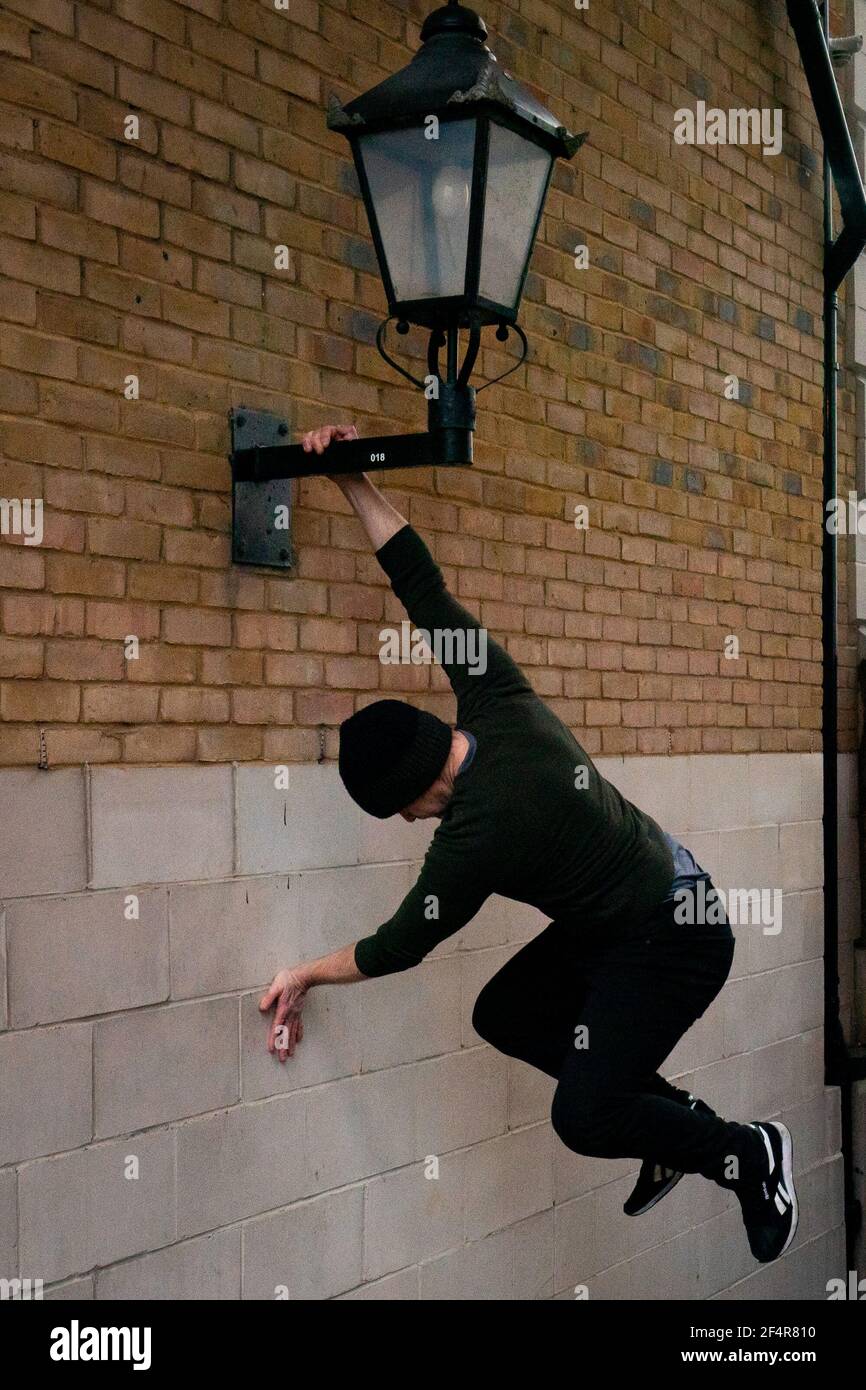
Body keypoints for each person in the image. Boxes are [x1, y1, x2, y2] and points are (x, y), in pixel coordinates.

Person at [260, 423, 798, 1266]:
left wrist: (302, 974)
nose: (409, 830)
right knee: (506, 1011)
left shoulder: (473, 838)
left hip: (675, 938)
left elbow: (398, 947)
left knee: (584, 1117)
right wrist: (351, 478)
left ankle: (747, 1154)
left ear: (410, 801)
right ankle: (666, 1128)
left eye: (400, 816)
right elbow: (418, 581)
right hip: (631, 912)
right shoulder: (491, 692)